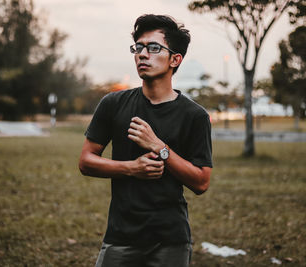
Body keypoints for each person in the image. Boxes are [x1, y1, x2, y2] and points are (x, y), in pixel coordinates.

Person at [79, 14, 213, 267]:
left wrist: (160, 148)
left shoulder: (195, 116)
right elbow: (86, 161)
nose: (142, 54)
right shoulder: (113, 104)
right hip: (121, 236)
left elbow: (202, 182)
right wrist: (132, 168)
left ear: (175, 59)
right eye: (138, 48)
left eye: (153, 48)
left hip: (171, 239)